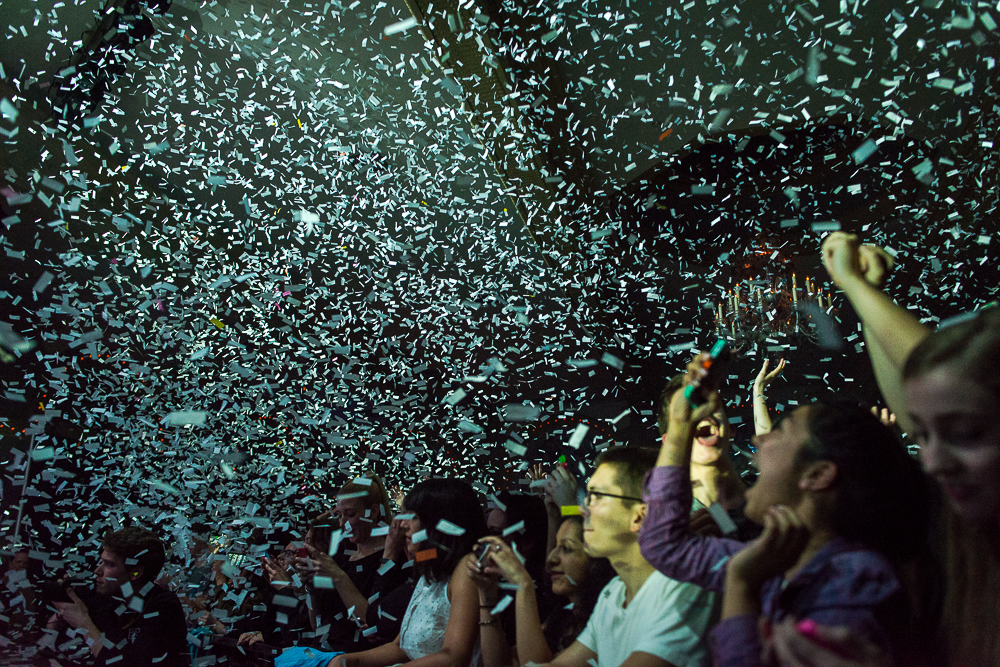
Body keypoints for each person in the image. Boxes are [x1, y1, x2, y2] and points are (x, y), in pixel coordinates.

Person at [777, 232, 1000, 666]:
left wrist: (854, 285)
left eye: (967, 433)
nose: (932, 464)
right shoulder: (974, 539)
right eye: (923, 438)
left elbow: (954, 380)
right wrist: (865, 293)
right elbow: (926, 396)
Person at [641, 354, 932, 667]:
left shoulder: (853, 586)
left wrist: (741, 587)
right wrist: (680, 427)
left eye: (779, 433)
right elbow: (665, 545)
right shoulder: (779, 562)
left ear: (817, 475)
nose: (758, 439)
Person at [540, 447, 719, 667]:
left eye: (597, 497)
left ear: (639, 516)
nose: (582, 510)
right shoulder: (613, 593)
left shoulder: (684, 590)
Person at [323, 477, 488, 667]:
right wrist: (346, 661)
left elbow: (454, 657)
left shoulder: (466, 569)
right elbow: (400, 647)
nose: (403, 525)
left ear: (439, 522)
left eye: (413, 517)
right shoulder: (430, 572)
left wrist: (389, 553)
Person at [471, 515, 615, 667]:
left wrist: (523, 583)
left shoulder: (607, 620)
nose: (551, 559)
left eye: (566, 549)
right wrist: (487, 596)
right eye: (555, 548)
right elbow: (501, 664)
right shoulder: (562, 618)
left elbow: (533, 664)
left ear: (597, 560)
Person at [44, 526, 187, 666]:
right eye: (102, 562)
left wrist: (84, 623)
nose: (97, 571)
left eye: (109, 564)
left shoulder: (164, 607)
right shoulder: (107, 599)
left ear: (136, 573)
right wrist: (60, 617)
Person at [295, 473, 395, 652]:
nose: (342, 524)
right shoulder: (340, 559)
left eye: (350, 514)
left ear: (373, 512)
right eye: (339, 516)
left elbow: (375, 625)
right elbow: (318, 626)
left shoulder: (389, 561)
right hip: (321, 654)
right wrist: (311, 587)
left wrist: (339, 577)